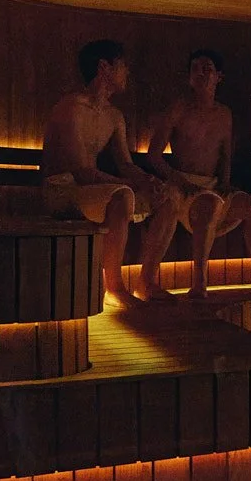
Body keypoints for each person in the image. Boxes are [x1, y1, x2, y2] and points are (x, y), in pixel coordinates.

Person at [40, 39, 183, 305]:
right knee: (122, 196)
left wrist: (148, 180)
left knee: (170, 197)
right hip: (61, 190)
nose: (126, 71)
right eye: (122, 65)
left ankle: (146, 282)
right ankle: (114, 288)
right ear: (104, 67)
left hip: (91, 191)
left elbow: (125, 164)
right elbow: (81, 172)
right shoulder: (71, 108)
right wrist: (130, 184)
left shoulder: (114, 116)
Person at [145, 48, 251, 297]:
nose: (201, 73)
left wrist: (225, 183)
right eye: (195, 69)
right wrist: (179, 181)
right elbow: (153, 155)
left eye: (207, 69)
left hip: (212, 186)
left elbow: (225, 155)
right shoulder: (178, 109)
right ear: (189, 78)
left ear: (218, 77)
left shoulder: (224, 114)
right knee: (209, 204)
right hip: (182, 186)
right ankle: (199, 283)